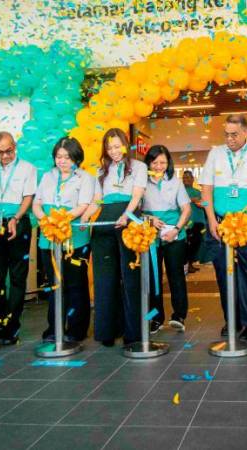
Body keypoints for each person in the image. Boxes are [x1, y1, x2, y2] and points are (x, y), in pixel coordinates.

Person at [199, 114, 247, 341]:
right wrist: (211, 219)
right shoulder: (215, 154)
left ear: (245, 132)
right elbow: (206, 189)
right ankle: (232, 320)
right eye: (227, 134)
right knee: (225, 273)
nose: (230, 139)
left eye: (235, 134)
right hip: (220, 223)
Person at [81, 128, 147, 347]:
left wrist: (126, 215)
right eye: (109, 148)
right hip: (105, 222)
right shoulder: (101, 171)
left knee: (130, 277)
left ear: (126, 145)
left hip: (128, 220)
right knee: (104, 278)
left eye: (117, 146)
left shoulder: (139, 167)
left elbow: (137, 196)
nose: (113, 151)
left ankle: (133, 331)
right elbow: (97, 200)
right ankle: (107, 330)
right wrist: (86, 217)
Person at [32, 137, 95, 343]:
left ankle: (77, 328)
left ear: (76, 157)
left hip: (74, 237)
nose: (62, 161)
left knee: (75, 284)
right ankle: (55, 326)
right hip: (49, 238)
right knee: (54, 283)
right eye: (59, 157)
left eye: (67, 157)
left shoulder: (85, 177)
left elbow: (84, 205)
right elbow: (37, 203)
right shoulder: (47, 176)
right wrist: (46, 219)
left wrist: (62, 220)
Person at [0, 131, 36, 345]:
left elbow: (28, 197)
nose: (5, 156)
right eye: (0, 152)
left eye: (9, 151)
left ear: (15, 147)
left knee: (17, 277)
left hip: (18, 221)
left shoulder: (27, 168)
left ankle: (12, 325)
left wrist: (16, 217)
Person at [143, 145, 192, 332]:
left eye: (162, 162)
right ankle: (155, 319)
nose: (158, 166)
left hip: (174, 235)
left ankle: (179, 315)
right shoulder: (142, 182)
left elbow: (186, 209)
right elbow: (135, 210)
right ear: (148, 162)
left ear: (168, 163)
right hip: (149, 236)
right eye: (154, 162)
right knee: (152, 277)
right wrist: (149, 219)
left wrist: (177, 229)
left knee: (176, 275)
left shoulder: (176, 182)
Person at [182, 170, 205, 273]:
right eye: (184, 178)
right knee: (187, 245)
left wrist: (200, 202)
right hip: (186, 223)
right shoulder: (180, 191)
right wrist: (192, 200)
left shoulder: (198, 192)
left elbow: (207, 204)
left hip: (198, 221)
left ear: (192, 179)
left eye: (187, 177)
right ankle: (186, 265)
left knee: (196, 244)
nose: (185, 179)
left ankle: (190, 263)